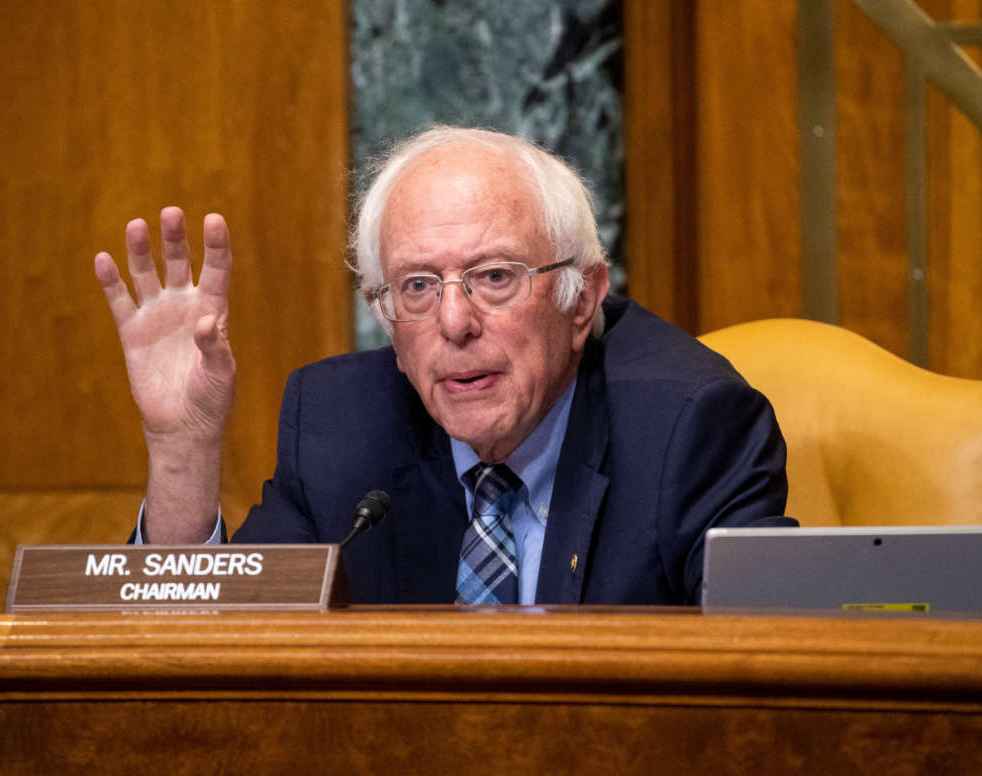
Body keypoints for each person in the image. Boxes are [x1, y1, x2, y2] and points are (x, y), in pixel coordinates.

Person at [93, 126, 794, 606]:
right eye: (418, 286)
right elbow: (210, 651)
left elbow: (774, 671)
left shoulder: (690, 426)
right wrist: (181, 445)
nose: (454, 323)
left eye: (494, 276)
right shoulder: (337, 425)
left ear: (583, 301)